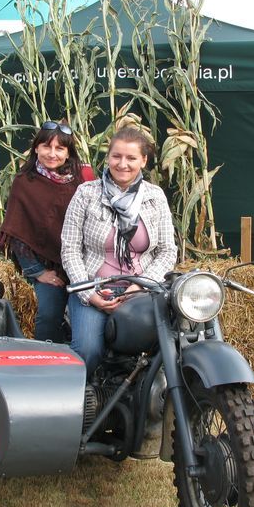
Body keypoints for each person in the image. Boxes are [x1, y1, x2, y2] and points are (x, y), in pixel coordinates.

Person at [61, 127, 177, 374]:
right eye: (116, 156)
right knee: (88, 351)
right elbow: (70, 250)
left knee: (168, 346)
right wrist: (90, 294)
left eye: (131, 158)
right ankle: (90, 404)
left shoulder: (155, 197)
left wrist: (142, 285)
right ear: (108, 157)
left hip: (141, 290)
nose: (122, 164)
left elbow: (167, 251)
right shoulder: (86, 194)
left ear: (143, 161)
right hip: (95, 289)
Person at [0, 121, 89, 343]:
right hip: (50, 268)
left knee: (86, 322)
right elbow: (18, 232)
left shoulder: (83, 179)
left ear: (68, 153)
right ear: (36, 148)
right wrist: (38, 272)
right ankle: (47, 363)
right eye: (47, 147)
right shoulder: (24, 182)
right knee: (47, 316)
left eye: (60, 148)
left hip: (84, 265)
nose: (52, 154)